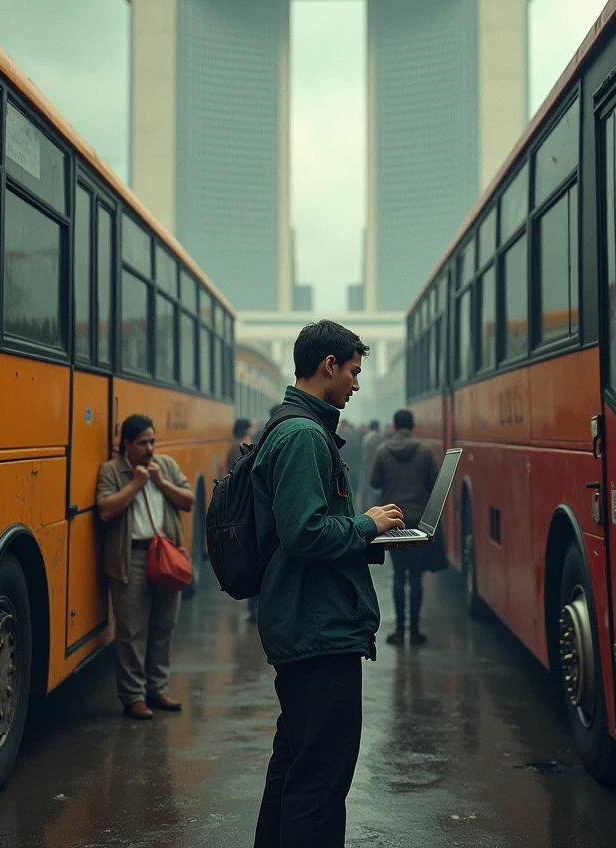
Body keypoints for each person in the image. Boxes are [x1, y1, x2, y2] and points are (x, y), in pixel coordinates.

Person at [251, 320, 405, 848]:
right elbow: (304, 531)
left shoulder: (293, 426)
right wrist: (367, 525)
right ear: (329, 366)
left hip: (307, 624)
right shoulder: (302, 436)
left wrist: (366, 528)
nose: (358, 385)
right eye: (355, 372)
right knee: (321, 777)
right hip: (319, 629)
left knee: (295, 764)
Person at [96, 414, 195, 719]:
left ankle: (157, 689)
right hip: (132, 558)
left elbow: (188, 500)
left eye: (152, 441)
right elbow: (105, 510)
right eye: (143, 443)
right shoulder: (112, 470)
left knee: (164, 625)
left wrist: (160, 482)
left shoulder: (164, 466)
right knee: (131, 631)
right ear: (127, 444)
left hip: (166, 555)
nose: (150, 447)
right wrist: (136, 484)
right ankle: (133, 697)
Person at [369, 409, 438, 647]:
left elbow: (374, 482)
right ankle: (415, 630)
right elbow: (434, 483)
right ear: (413, 425)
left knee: (399, 575)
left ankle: (399, 631)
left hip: (394, 521)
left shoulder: (383, 450)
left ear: (394, 425)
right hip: (419, 520)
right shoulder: (426, 451)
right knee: (416, 577)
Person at [360, 419, 385, 511]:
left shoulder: (366, 437)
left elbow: (364, 455)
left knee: (367, 489)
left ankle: (367, 508)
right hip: (380, 465)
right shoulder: (382, 437)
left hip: (368, 466)